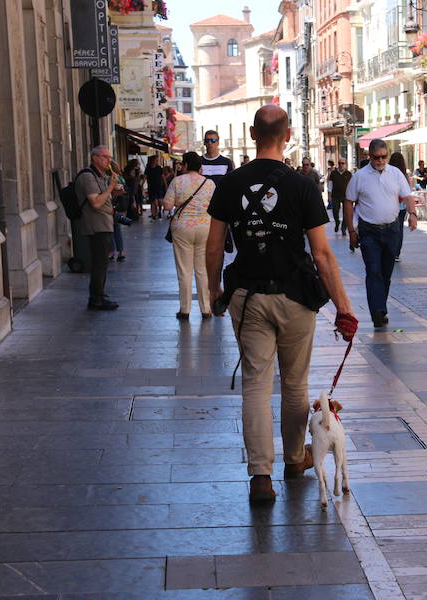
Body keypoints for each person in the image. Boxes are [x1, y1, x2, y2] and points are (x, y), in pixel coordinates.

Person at [205, 104, 356, 504]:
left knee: (256, 384)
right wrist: (343, 306)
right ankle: (294, 459)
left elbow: (215, 245)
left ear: (253, 135)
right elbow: (322, 254)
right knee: (294, 384)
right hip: (294, 297)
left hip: (248, 296)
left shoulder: (230, 184)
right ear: (287, 136)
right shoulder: (303, 185)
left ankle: (260, 477)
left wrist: (212, 291)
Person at [345, 138, 418, 327]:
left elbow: (408, 196)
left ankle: (381, 307)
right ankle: (377, 312)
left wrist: (412, 214)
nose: (380, 161)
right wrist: (351, 230)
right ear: (370, 156)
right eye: (377, 157)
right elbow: (348, 202)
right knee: (373, 270)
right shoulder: (360, 176)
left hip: (392, 229)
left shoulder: (395, 174)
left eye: (384, 157)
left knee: (385, 273)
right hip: (369, 231)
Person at [163, 151, 215, 320]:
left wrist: (179, 201)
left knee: (184, 269)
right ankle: (206, 308)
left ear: (184, 165)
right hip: (204, 227)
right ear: (200, 167)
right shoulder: (209, 183)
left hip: (182, 228)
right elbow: (215, 207)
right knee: (202, 269)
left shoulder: (177, 181)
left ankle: (185, 309)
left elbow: (167, 206)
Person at [75, 145, 120, 310]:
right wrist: (110, 187)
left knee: (102, 262)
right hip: (96, 225)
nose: (109, 160)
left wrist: (113, 189)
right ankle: (96, 299)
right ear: (95, 158)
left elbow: (104, 198)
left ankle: (99, 293)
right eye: (105, 157)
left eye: (109, 156)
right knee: (99, 263)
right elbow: (95, 203)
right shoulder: (88, 176)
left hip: (104, 223)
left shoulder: (99, 175)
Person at [389, 152, 411, 262]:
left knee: (391, 228)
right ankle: (397, 253)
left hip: (391, 204)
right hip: (402, 205)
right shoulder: (404, 175)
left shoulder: (389, 173)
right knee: (400, 229)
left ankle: (391, 251)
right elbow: (407, 191)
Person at [108, 160, 129, 262]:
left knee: (111, 230)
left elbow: (111, 192)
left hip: (111, 206)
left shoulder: (111, 178)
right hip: (120, 206)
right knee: (117, 229)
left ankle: (111, 252)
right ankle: (121, 251)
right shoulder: (121, 178)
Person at [328, 158, 352, 235]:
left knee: (346, 213)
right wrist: (329, 196)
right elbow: (330, 185)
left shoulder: (349, 174)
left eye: (343, 163)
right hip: (335, 195)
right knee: (335, 211)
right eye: (339, 163)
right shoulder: (333, 173)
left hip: (346, 196)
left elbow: (352, 186)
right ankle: (337, 222)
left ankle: (343, 228)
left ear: (345, 164)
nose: (341, 165)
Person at [144, 156, 165, 220]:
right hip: (151, 187)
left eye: (157, 160)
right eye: (156, 160)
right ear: (152, 160)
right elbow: (145, 176)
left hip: (158, 186)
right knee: (153, 201)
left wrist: (165, 185)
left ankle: (159, 211)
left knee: (159, 201)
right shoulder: (148, 168)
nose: (157, 161)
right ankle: (154, 214)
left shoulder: (159, 168)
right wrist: (142, 185)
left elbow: (163, 176)